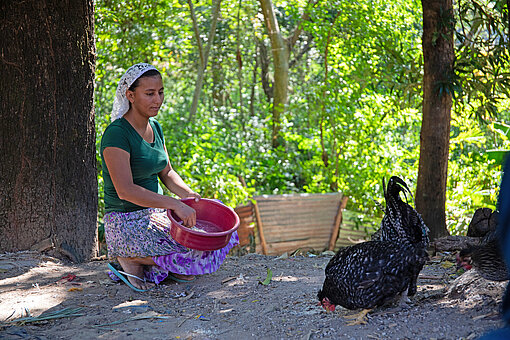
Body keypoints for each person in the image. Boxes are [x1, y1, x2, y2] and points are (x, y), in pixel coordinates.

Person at [100, 63, 239, 291]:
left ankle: (156, 265)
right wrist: (175, 204)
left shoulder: (155, 126)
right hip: (126, 220)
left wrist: (188, 196)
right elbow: (126, 190)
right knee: (191, 249)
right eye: (150, 93)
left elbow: (167, 172)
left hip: (157, 214)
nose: (157, 99)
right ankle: (130, 257)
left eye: (161, 92)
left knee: (216, 234)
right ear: (130, 95)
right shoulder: (116, 134)